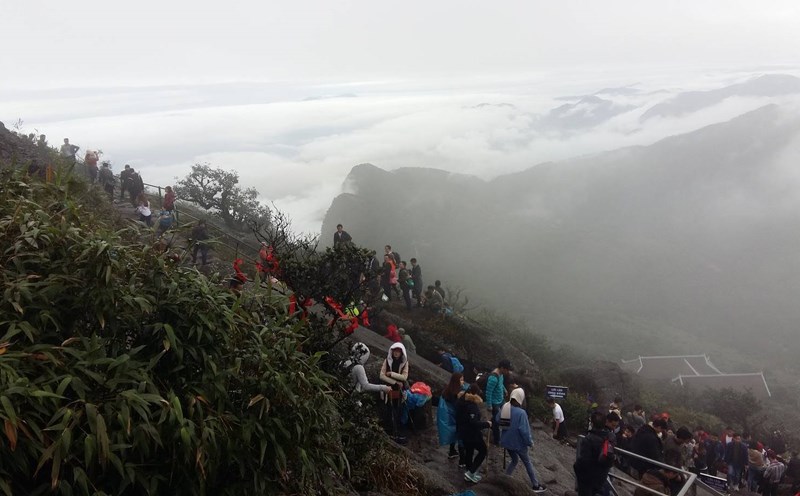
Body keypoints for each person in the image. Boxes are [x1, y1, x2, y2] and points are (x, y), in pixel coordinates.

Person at [500, 387, 547, 492]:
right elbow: (524, 431)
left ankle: (505, 478)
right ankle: (535, 485)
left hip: (506, 442)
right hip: (519, 444)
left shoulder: (505, 408)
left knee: (515, 460)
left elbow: (498, 420)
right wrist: (530, 443)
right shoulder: (521, 413)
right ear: (520, 398)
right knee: (527, 463)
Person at [456, 383, 491, 484]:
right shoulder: (471, 405)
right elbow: (473, 423)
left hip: (462, 432)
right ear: (475, 394)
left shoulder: (461, 401)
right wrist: (487, 424)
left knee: (469, 451)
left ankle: (469, 473)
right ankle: (471, 472)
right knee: (483, 450)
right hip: (472, 433)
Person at [575, 411, 614, 496]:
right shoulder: (609, 437)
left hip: (588, 479)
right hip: (601, 477)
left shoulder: (589, 439)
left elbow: (583, 461)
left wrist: (576, 467)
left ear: (592, 423)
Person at [380, 343, 409, 439]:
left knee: (397, 409)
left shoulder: (404, 363)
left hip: (399, 391)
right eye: (395, 351)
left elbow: (404, 377)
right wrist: (395, 382)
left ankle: (395, 429)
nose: (396, 353)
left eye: (398, 351)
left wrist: (391, 374)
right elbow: (382, 375)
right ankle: (388, 429)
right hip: (389, 388)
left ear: (401, 353)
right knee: (388, 408)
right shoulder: (387, 361)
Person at [438, 372, 465, 462]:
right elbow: (457, 405)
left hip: (449, 415)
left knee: (453, 433)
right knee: (458, 434)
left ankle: (452, 450)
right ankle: (461, 458)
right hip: (454, 415)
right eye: (461, 380)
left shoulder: (448, 389)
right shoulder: (455, 392)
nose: (463, 382)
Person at [485, 359, 511, 446]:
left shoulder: (501, 374)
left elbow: (501, 384)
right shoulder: (493, 378)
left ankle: (504, 434)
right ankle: (497, 440)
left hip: (501, 399)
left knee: (505, 415)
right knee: (496, 421)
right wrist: (489, 405)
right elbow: (488, 392)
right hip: (494, 402)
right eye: (507, 369)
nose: (508, 371)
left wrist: (504, 389)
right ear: (502, 368)